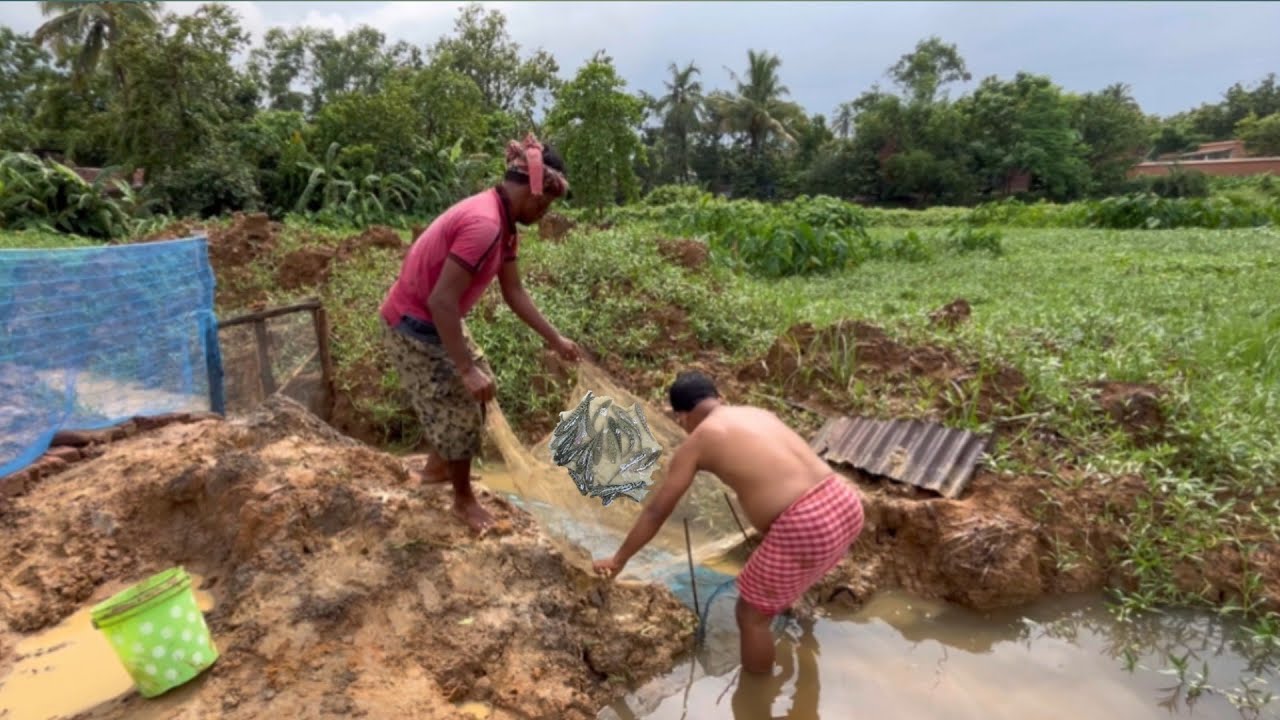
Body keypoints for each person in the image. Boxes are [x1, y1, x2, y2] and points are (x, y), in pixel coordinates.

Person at [592, 370, 864, 674]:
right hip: (845, 500)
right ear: (719, 398)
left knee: (749, 616)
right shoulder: (759, 413)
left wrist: (619, 559)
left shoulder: (699, 441)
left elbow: (656, 512)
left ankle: (757, 697)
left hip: (804, 523)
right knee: (788, 575)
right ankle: (803, 681)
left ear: (681, 416)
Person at [380, 133, 583, 533]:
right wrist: (464, 369)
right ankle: (462, 501)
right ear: (531, 190)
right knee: (460, 406)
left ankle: (438, 469)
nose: (543, 212)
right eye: (544, 203)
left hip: (438, 318)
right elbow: (440, 301)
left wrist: (554, 339)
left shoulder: (505, 227)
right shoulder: (485, 224)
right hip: (416, 324)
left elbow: (514, 291)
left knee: (481, 387)